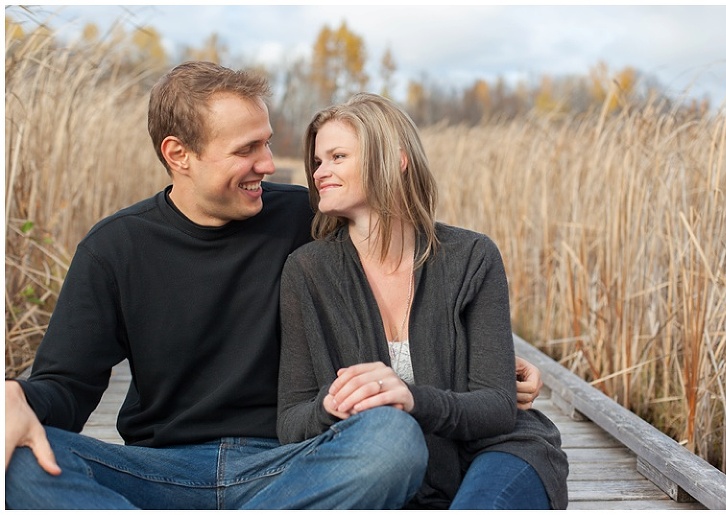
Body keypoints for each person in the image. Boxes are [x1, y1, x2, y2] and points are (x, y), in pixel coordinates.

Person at [4, 61, 542, 509]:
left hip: (291, 466)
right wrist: (15, 396)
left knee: (391, 441)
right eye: (247, 150)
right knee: (19, 458)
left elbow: (396, 231)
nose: (271, 164)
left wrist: (494, 365)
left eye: (268, 143)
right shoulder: (113, 249)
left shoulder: (307, 216)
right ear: (178, 155)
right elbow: (66, 389)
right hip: (160, 472)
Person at [277, 92, 569, 509]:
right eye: (318, 161)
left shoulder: (472, 256)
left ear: (394, 160)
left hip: (496, 450)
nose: (321, 171)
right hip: (383, 463)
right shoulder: (307, 272)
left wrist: (411, 398)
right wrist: (331, 404)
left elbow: (499, 406)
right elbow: (290, 422)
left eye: (338, 156)